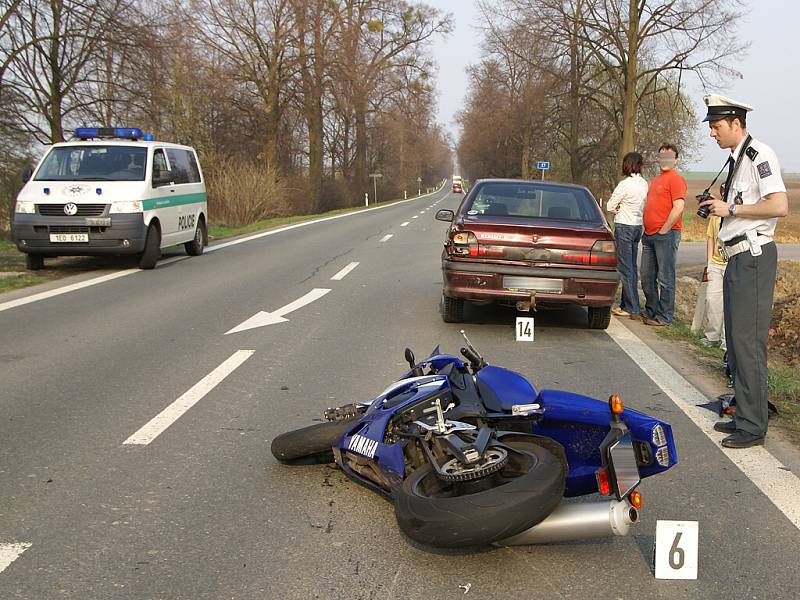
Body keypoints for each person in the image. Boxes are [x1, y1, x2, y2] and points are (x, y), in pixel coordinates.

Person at [698, 93, 788, 449]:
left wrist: (729, 207)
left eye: (717, 126)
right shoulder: (737, 159)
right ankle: (746, 413)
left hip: (753, 255)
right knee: (736, 344)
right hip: (737, 257)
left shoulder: (759, 155)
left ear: (736, 123)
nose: (712, 134)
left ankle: (753, 425)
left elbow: (778, 205)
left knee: (747, 344)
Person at [640, 144, 687, 326]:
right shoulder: (655, 180)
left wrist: (664, 229)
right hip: (649, 235)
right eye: (662, 155)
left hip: (666, 235)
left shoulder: (676, 179)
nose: (665, 159)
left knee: (665, 278)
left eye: (669, 156)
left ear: (675, 159)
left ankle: (664, 317)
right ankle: (651, 311)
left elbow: (679, 207)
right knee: (646, 276)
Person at [607, 152, 648, 319]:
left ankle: (633, 307)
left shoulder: (625, 185)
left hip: (624, 226)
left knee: (625, 268)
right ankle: (625, 305)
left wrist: (618, 210)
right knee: (631, 266)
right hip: (638, 226)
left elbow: (610, 206)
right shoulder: (645, 184)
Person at [702, 212, 727, 350]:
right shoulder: (716, 215)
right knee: (712, 300)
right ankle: (712, 337)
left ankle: (726, 341)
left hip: (732, 264)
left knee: (730, 304)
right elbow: (710, 237)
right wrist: (710, 263)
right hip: (716, 264)